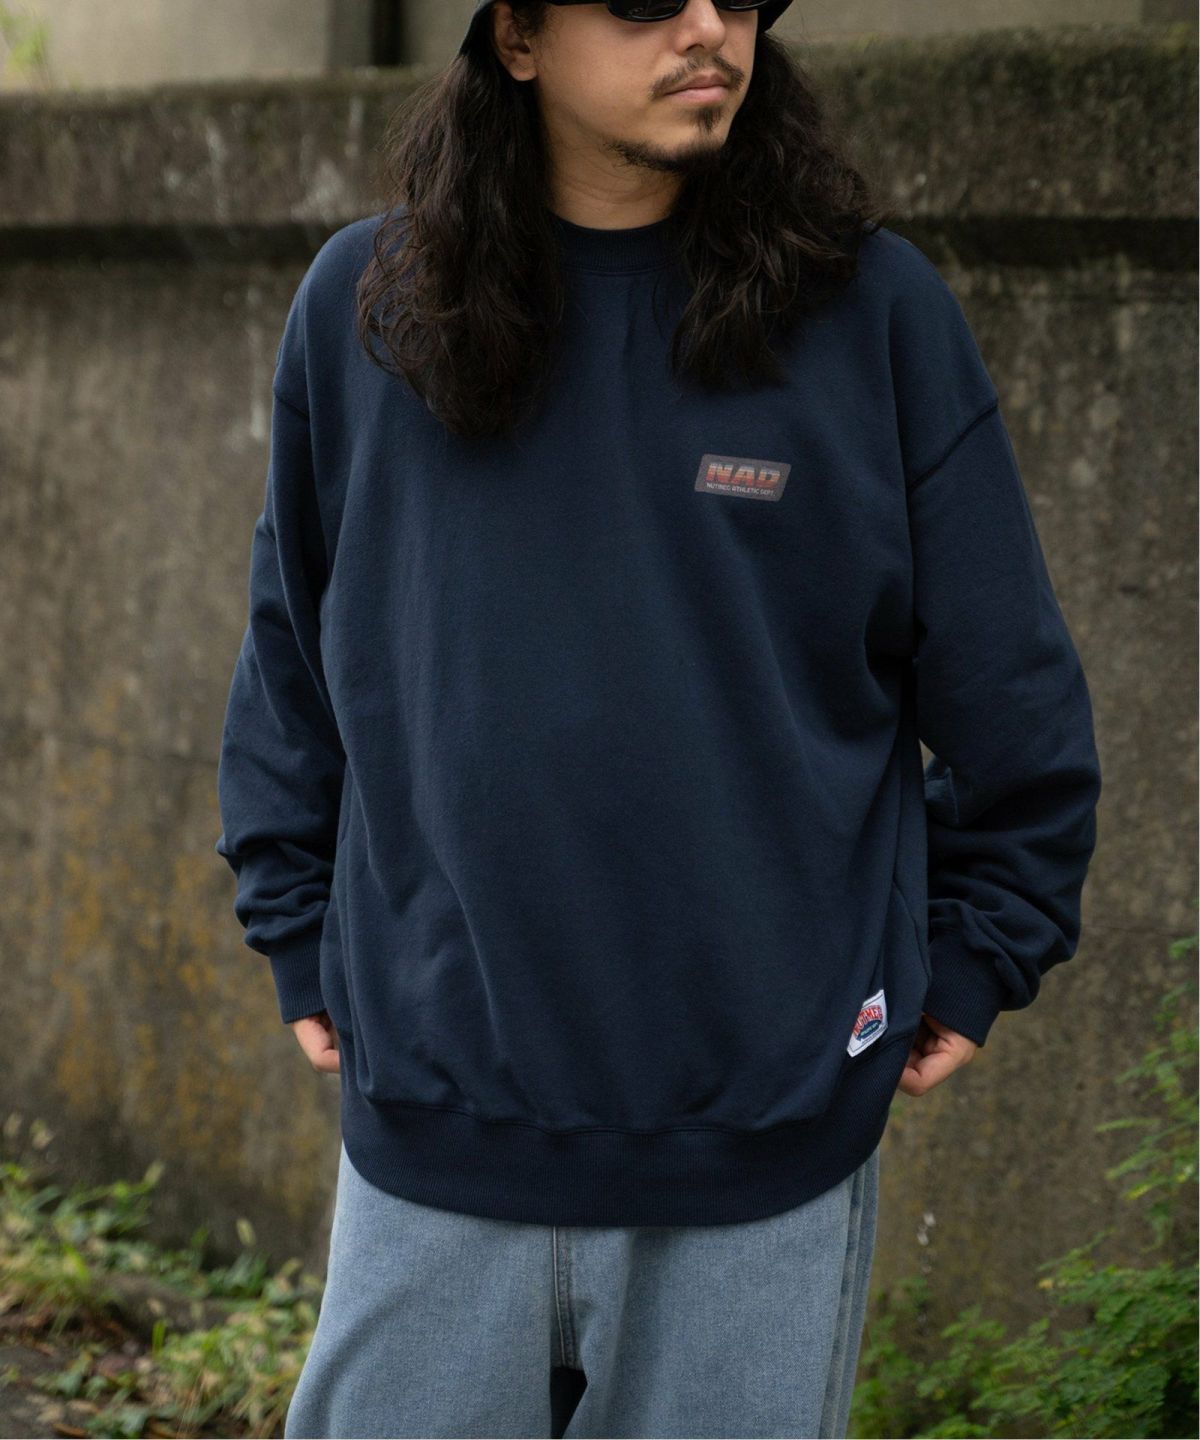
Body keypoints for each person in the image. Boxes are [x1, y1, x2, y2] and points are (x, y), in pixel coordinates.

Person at [213, 1, 1103, 1435]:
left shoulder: (872, 313)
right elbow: (292, 650)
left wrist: (976, 951)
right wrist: (289, 910)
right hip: (437, 1117)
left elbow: (1014, 694)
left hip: (766, 1142)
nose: (706, 27)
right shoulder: (365, 306)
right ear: (516, 35)